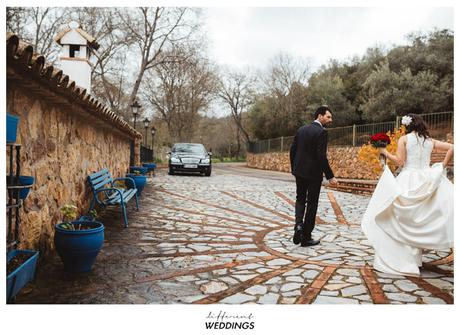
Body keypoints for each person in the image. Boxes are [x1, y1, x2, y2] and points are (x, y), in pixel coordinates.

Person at [361, 113, 454, 276]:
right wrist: (441, 167)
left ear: (407, 126)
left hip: (408, 178)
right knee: (419, 217)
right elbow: (453, 147)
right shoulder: (430, 141)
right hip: (427, 178)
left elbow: (399, 161)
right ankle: (414, 259)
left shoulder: (404, 139)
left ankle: (405, 259)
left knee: (401, 218)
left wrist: (384, 151)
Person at [290, 106, 338, 247]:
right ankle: (306, 237)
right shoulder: (321, 132)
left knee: (300, 199)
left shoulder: (301, 130)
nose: (331, 120)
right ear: (319, 116)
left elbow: (293, 150)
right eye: (328, 117)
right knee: (312, 203)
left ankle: (298, 225)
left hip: (299, 172)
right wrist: (330, 176)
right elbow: (321, 156)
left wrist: (295, 169)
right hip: (313, 174)